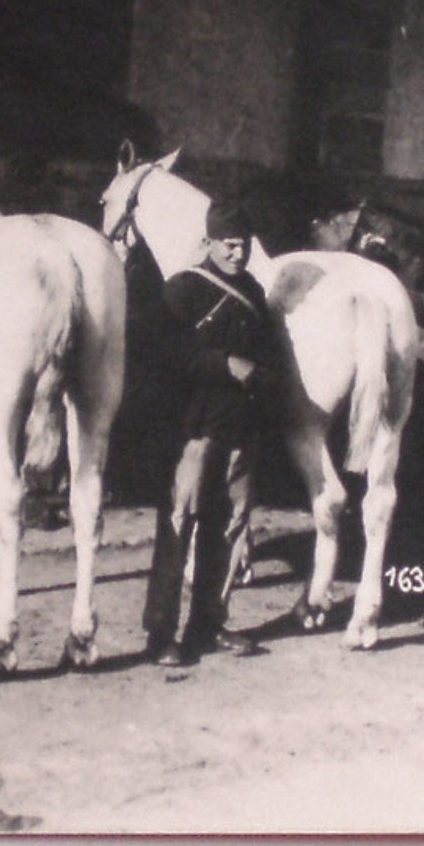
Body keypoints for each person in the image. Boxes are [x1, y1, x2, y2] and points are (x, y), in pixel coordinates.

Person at [142, 200, 274, 666]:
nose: (238, 254)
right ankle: (160, 634)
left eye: (245, 246)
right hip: (194, 430)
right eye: (229, 246)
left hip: (241, 428)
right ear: (209, 243)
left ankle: (208, 623)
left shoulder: (256, 292)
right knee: (180, 525)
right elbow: (162, 356)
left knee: (230, 528)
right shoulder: (184, 290)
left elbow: (270, 357)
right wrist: (225, 364)